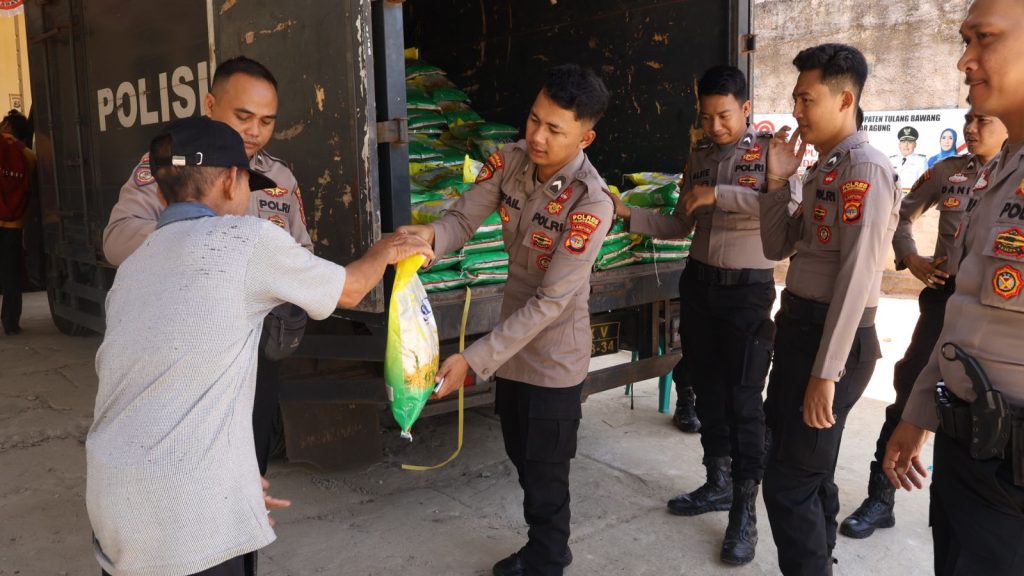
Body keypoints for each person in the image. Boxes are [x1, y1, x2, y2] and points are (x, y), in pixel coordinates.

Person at [87, 116, 433, 576]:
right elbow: (350, 290)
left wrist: (233, 476)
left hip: (112, 498)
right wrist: (386, 250)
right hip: (183, 513)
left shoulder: (136, 263)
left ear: (163, 193)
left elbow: (176, 382)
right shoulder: (246, 239)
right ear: (230, 180)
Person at [400, 64, 612, 576]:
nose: (537, 136)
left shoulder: (591, 202)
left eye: (554, 129)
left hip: (552, 357)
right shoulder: (510, 160)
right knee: (521, 453)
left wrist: (472, 361)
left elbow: (550, 302)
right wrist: (431, 240)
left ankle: (548, 558)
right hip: (509, 348)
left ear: (585, 137)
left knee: (546, 473)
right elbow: (462, 218)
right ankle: (545, 547)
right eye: (534, 119)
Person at [608, 64, 796, 565]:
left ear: (746, 109)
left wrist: (719, 194)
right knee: (708, 392)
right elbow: (679, 223)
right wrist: (628, 214)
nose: (715, 126)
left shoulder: (772, 154)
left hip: (747, 293)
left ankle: (744, 508)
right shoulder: (699, 155)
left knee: (744, 401)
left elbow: (782, 209)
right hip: (699, 286)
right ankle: (717, 481)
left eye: (725, 116)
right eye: (707, 116)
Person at [102, 56, 310, 476]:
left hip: (256, 348)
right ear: (210, 104)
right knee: (187, 472)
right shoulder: (170, 164)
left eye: (267, 121)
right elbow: (117, 240)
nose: (254, 131)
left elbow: (302, 250)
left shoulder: (279, 178)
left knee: (250, 464)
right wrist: (202, 235)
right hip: (183, 352)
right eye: (243, 117)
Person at [885, 1, 1024, 573]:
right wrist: (919, 412)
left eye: (984, 38)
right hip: (969, 453)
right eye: (965, 40)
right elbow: (965, 314)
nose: (965, 60)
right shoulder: (996, 171)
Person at [759, 43, 900, 576]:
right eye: (795, 98)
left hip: (831, 342)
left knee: (788, 483)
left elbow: (859, 276)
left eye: (806, 99)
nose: (796, 110)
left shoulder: (865, 169)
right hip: (800, 331)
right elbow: (776, 245)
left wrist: (826, 372)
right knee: (807, 469)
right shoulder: (827, 167)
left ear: (845, 100)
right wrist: (778, 181)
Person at [840, 107, 1006, 539]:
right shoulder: (948, 172)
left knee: (990, 407)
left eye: (982, 121)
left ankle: (977, 509)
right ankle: (881, 498)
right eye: (968, 119)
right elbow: (901, 213)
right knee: (911, 390)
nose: (970, 128)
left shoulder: (1015, 176)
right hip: (944, 300)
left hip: (1000, 312)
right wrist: (910, 257)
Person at [0, 110, 35, 336]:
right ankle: (11, 322)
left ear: (7, 126)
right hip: (14, 224)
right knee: (11, 274)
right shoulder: (28, 155)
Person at [889, 126, 928, 192]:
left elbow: (924, 184)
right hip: (893, 196)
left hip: (912, 197)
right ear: (899, 145)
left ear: (915, 145)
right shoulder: (891, 160)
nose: (906, 145)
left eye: (910, 142)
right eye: (903, 142)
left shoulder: (921, 161)